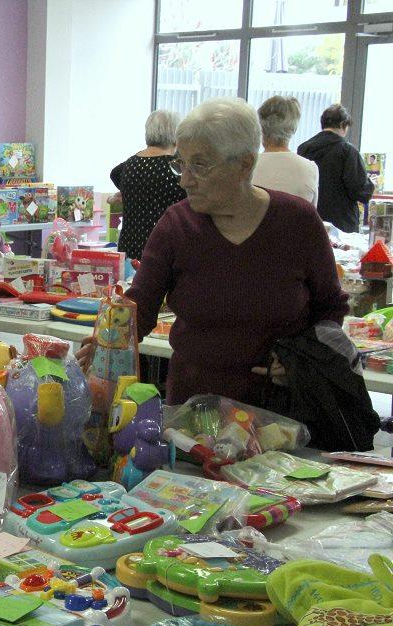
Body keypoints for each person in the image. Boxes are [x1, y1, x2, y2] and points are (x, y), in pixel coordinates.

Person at [78, 97, 348, 408]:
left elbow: (331, 306)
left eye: (200, 165)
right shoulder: (177, 225)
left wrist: (300, 358)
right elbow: (142, 307)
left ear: (244, 164)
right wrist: (107, 345)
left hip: (281, 418)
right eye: (182, 163)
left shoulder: (297, 222)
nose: (185, 179)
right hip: (192, 416)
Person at [109, 110, 187, 260]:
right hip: (166, 247)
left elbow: (114, 175)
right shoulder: (177, 167)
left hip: (130, 247)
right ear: (176, 134)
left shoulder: (129, 165)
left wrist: (128, 192)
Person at [298, 104, 374, 232]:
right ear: (343, 124)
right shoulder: (347, 151)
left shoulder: (303, 149)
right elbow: (360, 192)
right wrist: (371, 184)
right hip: (342, 224)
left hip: (310, 221)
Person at [253, 96, 318, 205]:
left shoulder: (247, 167)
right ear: (293, 129)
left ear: (260, 127)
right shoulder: (310, 169)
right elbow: (311, 216)